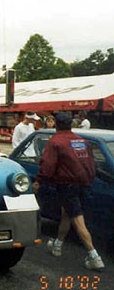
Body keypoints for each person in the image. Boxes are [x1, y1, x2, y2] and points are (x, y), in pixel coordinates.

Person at [32, 112, 104, 270]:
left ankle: (94, 257)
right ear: (71, 124)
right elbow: (92, 163)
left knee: (78, 220)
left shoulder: (56, 142)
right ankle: (57, 246)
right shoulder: (82, 141)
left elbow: (48, 166)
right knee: (67, 214)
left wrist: (39, 181)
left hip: (67, 185)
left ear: (56, 124)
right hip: (84, 184)